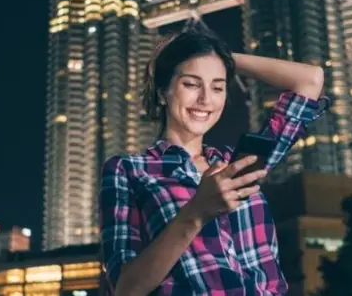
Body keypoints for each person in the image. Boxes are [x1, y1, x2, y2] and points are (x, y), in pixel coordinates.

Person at [99, 23, 328, 296]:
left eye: (218, 87)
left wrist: (219, 56)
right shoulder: (128, 171)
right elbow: (126, 288)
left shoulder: (241, 164)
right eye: (191, 84)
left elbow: (310, 80)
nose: (206, 99)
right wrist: (195, 213)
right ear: (162, 92)